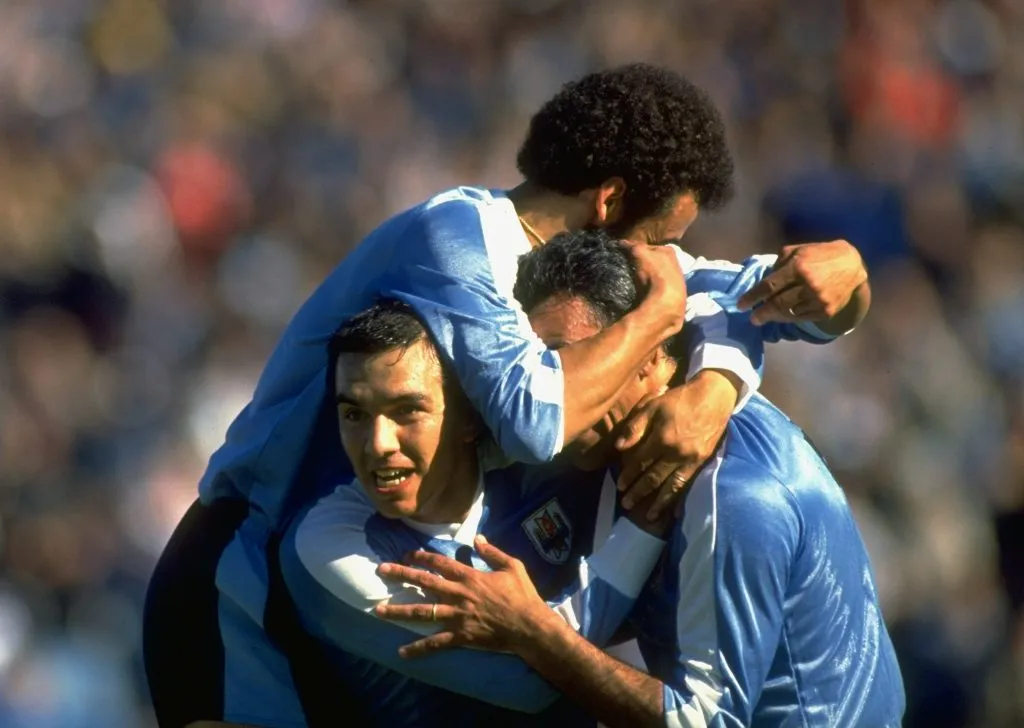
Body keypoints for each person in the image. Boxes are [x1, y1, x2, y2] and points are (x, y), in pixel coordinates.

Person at [143, 64, 870, 727]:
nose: (668, 259)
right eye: (662, 237)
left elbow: (765, 300)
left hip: (361, 585)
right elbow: (536, 418)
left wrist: (835, 289)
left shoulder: (563, 275)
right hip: (239, 584)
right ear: (610, 203)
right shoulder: (454, 240)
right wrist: (657, 316)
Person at [372, 231, 906, 728]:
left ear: (649, 356)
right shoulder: (616, 443)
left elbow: (706, 721)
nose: (552, 389)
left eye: (570, 356)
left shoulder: (736, 498)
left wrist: (535, 633)